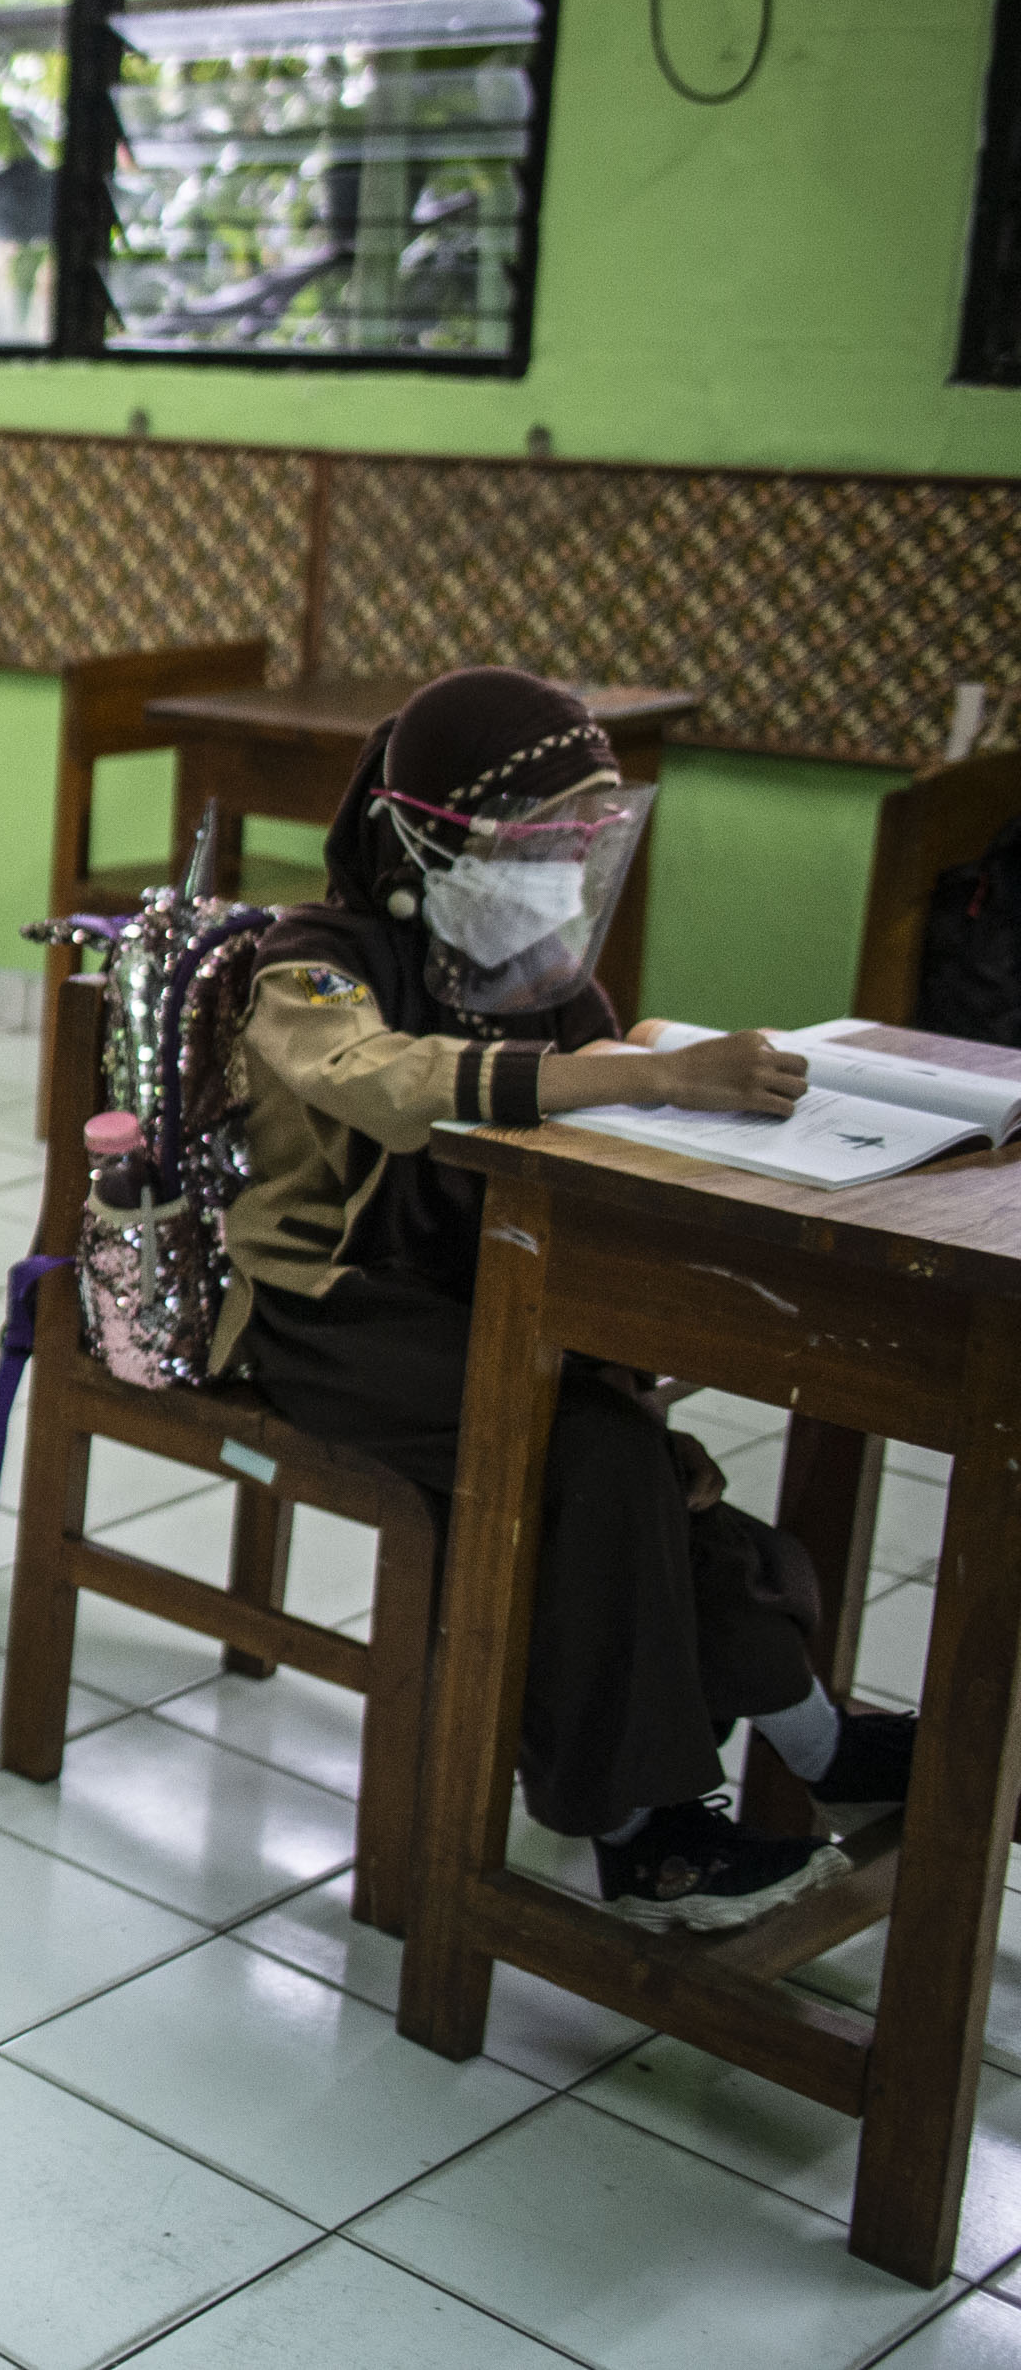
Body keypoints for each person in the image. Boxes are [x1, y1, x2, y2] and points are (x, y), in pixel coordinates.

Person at [224, 664, 907, 1931]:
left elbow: (605, 1103)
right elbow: (380, 1078)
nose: (554, 873)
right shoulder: (315, 959)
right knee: (598, 1454)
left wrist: (664, 1099)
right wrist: (628, 1078)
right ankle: (650, 1828)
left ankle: (809, 1748)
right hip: (332, 1314)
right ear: (432, 834)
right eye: (533, 842)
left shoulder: (536, 970)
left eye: (577, 844)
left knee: (638, 1464)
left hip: (491, 1304)